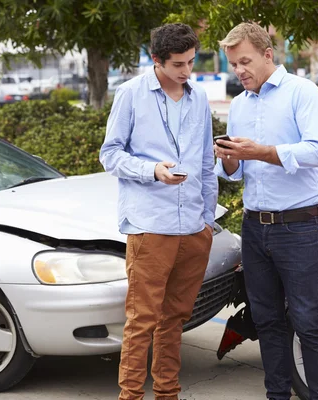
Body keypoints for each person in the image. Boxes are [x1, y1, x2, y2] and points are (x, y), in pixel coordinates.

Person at [214, 22, 318, 400]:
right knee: (267, 321)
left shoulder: (304, 92)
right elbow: (234, 174)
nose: (239, 71)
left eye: (245, 61)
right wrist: (230, 160)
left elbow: (317, 152)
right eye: (233, 64)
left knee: (307, 321)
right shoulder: (239, 104)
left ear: (268, 55)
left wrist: (261, 151)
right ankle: (276, 395)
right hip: (254, 227)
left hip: (298, 227)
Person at [99, 23, 217, 400]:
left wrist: (208, 219)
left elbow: (203, 161)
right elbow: (110, 154)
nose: (186, 71)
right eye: (178, 64)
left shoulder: (198, 97)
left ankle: (169, 393)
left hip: (193, 227)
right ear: (156, 60)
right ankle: (130, 396)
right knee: (141, 322)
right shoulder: (131, 94)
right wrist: (152, 171)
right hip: (151, 226)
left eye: (191, 62)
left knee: (175, 321)